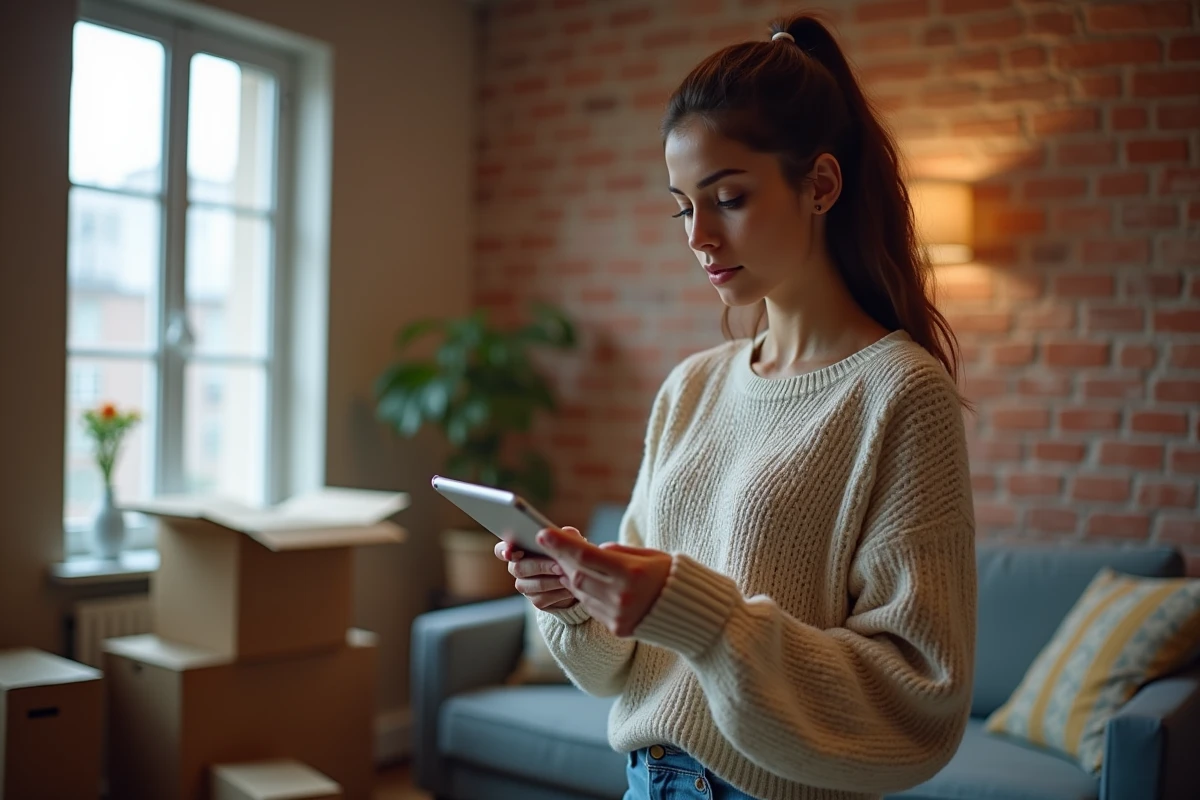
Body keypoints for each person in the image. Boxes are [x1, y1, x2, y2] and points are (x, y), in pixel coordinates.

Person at [495, 12, 976, 800]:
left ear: (820, 184)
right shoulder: (691, 387)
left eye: (728, 197)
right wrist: (577, 603)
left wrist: (705, 618)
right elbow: (619, 669)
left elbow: (917, 707)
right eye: (684, 206)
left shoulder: (899, 392)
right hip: (648, 782)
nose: (699, 236)